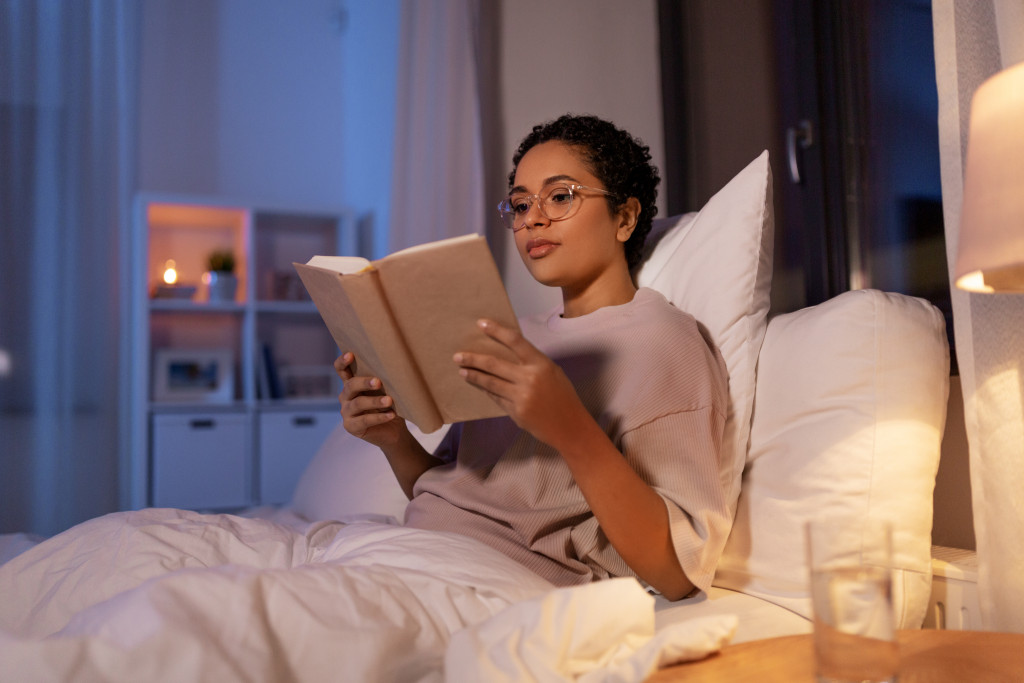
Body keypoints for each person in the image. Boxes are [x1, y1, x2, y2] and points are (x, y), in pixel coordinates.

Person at [334, 114, 729, 601]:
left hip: (488, 583)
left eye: (560, 196)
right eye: (520, 205)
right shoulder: (512, 336)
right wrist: (392, 439)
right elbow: (448, 489)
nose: (532, 219)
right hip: (406, 551)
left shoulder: (663, 342)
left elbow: (678, 572)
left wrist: (567, 425)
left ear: (624, 218)